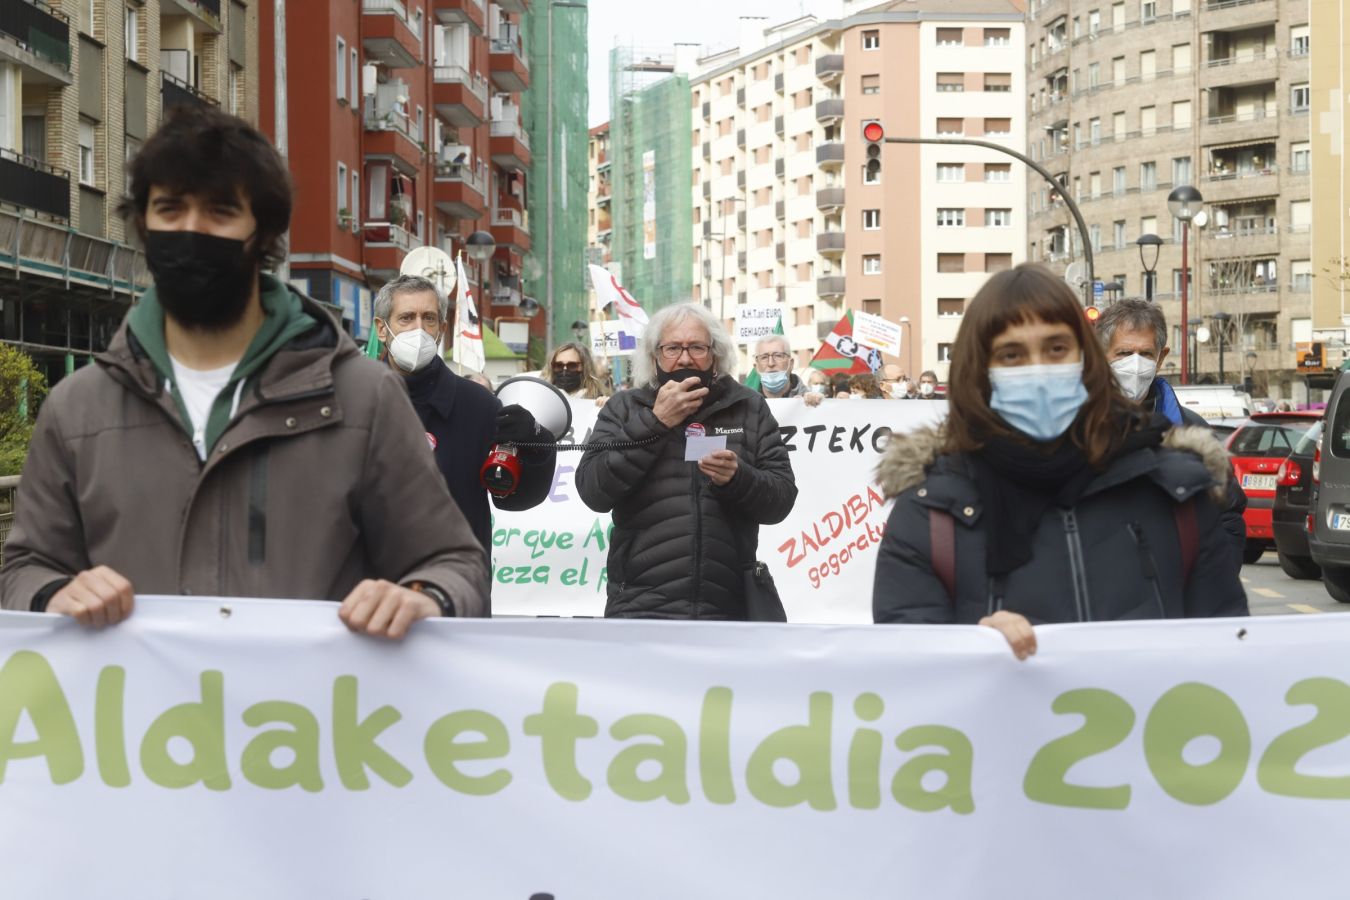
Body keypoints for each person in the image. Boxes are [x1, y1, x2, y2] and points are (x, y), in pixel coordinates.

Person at [0, 105, 488, 637]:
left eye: (220, 211)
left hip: (310, 715)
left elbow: (457, 565)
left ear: (264, 231)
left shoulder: (364, 399)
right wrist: (52, 592)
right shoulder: (77, 409)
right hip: (141, 717)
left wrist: (423, 598)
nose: (191, 230)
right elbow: (24, 569)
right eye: (170, 208)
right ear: (144, 224)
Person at [872, 264, 1247, 658]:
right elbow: (908, 677)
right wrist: (969, 649)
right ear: (978, 370)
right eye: (1011, 354)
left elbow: (1226, 655)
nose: (1038, 371)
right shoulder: (930, 512)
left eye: (1056, 349)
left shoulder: (1176, 492)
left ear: (1088, 360)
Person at [575, 303, 798, 619]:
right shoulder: (624, 408)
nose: (684, 358)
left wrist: (738, 478)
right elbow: (593, 490)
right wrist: (656, 422)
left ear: (715, 355)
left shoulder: (749, 407)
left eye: (696, 347)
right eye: (672, 348)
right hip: (641, 606)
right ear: (655, 357)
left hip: (727, 608)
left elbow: (782, 499)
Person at [374, 274, 556, 564]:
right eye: (406, 318)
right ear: (382, 329)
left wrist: (536, 443)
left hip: (456, 582)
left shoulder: (478, 405)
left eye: (429, 318)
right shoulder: (356, 399)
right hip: (372, 584)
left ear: (442, 328)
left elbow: (514, 497)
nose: (418, 329)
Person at [1096, 298, 1246, 555]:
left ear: (1161, 357)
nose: (1135, 364)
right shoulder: (1079, 429)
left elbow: (1227, 519)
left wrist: (1207, 588)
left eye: (1145, 354)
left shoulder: (1192, 432)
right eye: (1123, 353)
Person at [543, 341, 610, 404]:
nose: (565, 370)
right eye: (558, 365)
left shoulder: (597, 399)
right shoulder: (542, 397)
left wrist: (606, 406)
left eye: (572, 365)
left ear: (585, 367)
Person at [751, 334, 808, 400]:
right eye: (764, 357)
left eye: (778, 356)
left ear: (791, 364)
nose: (771, 363)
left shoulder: (814, 403)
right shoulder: (746, 404)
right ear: (756, 367)